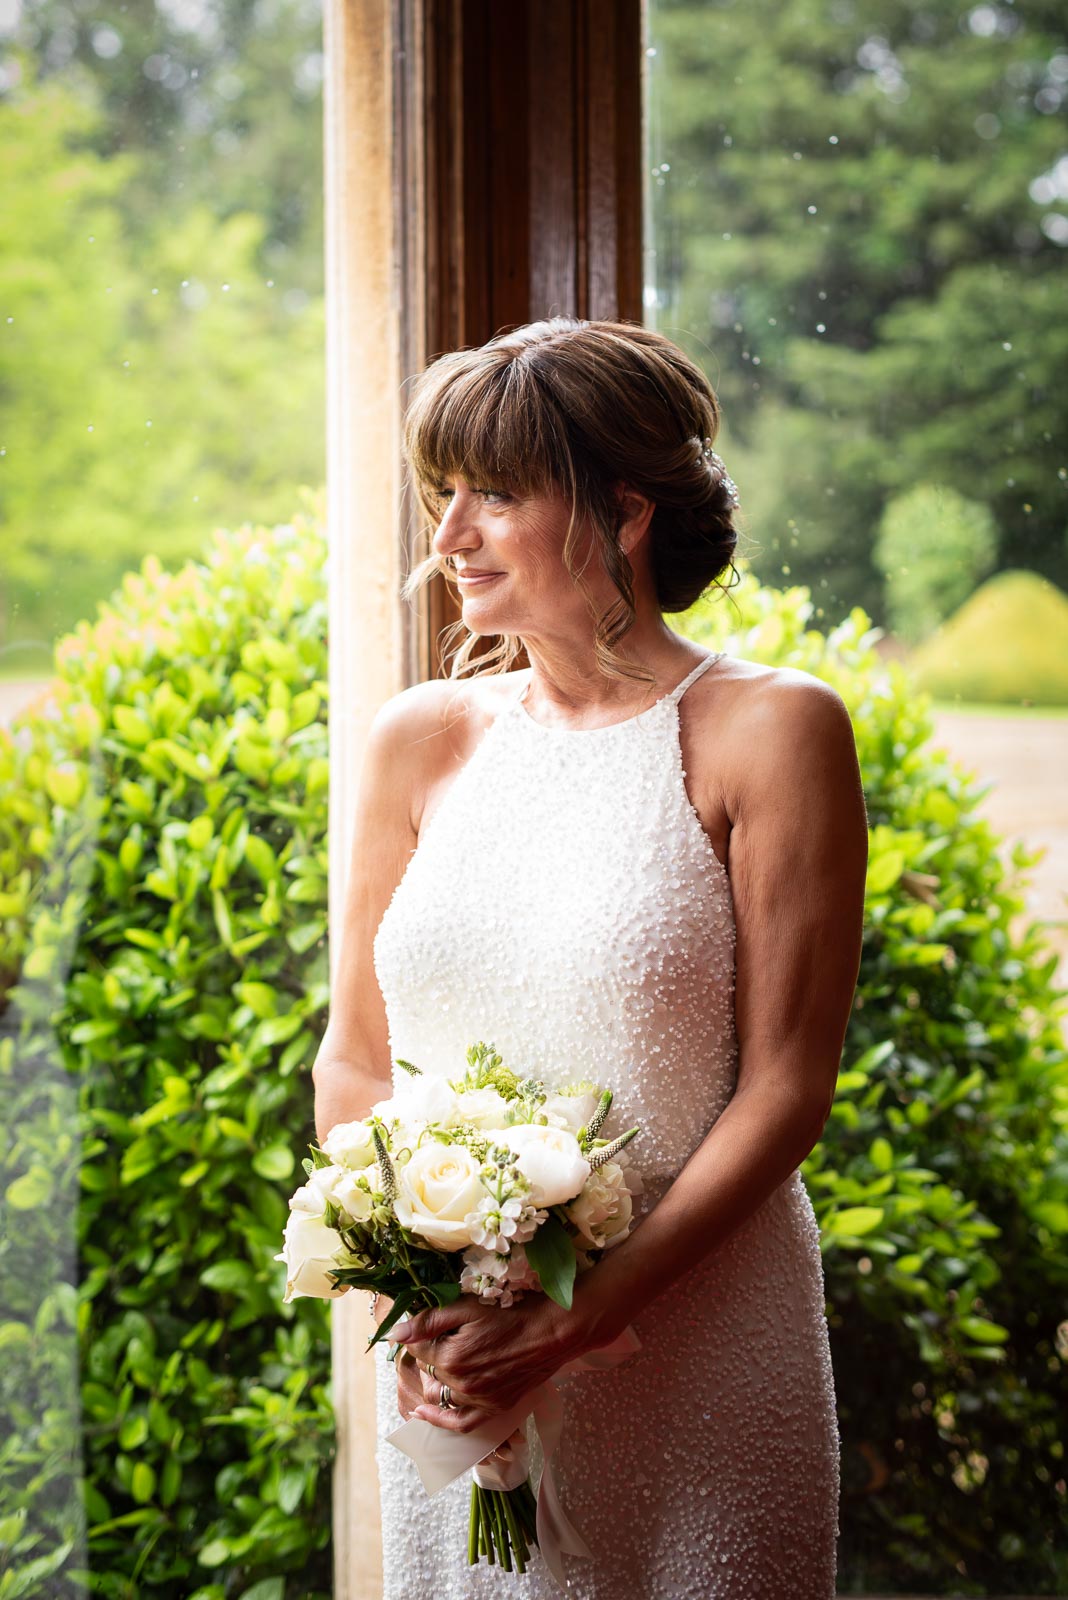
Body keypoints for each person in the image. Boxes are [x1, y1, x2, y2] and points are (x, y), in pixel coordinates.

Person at [312, 316, 869, 1598]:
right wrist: (420, 1290)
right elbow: (354, 1057)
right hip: (473, 1367)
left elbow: (787, 1086)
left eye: (494, 496)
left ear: (621, 512)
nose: (448, 536)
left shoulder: (772, 731)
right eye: (444, 495)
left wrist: (582, 1309)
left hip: (699, 1343)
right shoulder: (420, 740)